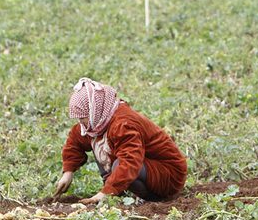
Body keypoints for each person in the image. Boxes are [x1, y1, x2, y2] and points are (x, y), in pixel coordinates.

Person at [53, 78, 187, 204]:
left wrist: (106, 192)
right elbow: (75, 141)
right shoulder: (98, 121)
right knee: (97, 142)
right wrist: (68, 171)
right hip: (145, 166)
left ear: (94, 110)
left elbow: (130, 161)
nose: (81, 122)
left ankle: (152, 199)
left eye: (83, 118)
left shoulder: (122, 124)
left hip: (168, 173)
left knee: (119, 164)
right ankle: (117, 191)